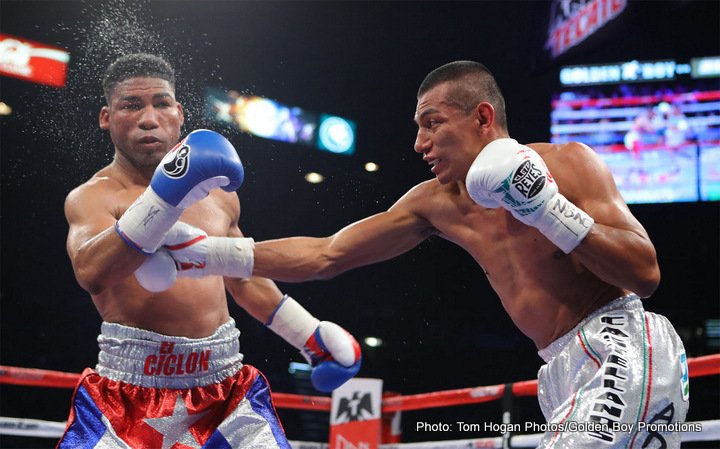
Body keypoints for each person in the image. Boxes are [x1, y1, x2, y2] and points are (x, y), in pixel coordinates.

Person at [145, 61, 690, 448]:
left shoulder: (570, 164)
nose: (418, 143)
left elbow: (644, 274)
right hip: (559, 367)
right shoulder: (435, 204)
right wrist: (204, 253)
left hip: (621, 343)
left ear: (482, 118)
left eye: (433, 123)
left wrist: (547, 207)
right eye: (417, 128)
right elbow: (327, 254)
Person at [59, 53, 361, 449]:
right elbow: (91, 271)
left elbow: (242, 277)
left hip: (225, 392)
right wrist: (164, 198)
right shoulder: (93, 197)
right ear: (106, 117)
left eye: (161, 103)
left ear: (180, 112)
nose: (149, 118)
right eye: (131, 105)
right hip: (126, 400)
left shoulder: (217, 193)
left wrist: (308, 335)